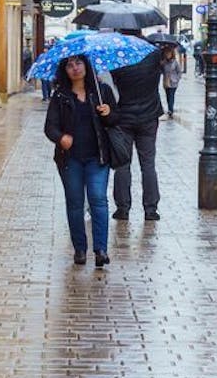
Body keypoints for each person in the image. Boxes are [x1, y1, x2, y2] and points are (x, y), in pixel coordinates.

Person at [43, 54, 119, 268]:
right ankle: (80, 249)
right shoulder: (60, 96)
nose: (75, 68)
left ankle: (101, 250)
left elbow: (115, 120)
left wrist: (109, 112)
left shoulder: (101, 91)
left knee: (98, 200)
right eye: (70, 65)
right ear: (65, 71)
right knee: (75, 204)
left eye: (79, 63)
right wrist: (61, 138)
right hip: (71, 159)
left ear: (86, 65)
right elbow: (50, 127)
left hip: (97, 156)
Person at [109, 45, 166, 222]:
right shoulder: (154, 53)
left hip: (123, 117)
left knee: (122, 164)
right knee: (148, 164)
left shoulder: (117, 54)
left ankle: (122, 208)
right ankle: (151, 209)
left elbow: (112, 84)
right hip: (149, 117)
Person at [160, 45, 184, 119]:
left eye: (169, 53)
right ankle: (170, 109)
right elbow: (161, 71)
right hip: (166, 82)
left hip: (173, 83)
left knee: (171, 96)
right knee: (167, 96)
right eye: (166, 53)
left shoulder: (175, 62)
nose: (167, 55)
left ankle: (170, 110)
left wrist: (176, 79)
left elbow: (179, 72)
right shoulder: (164, 62)